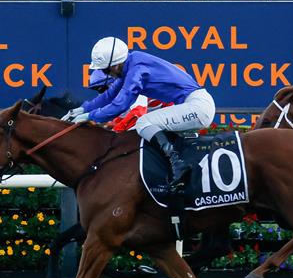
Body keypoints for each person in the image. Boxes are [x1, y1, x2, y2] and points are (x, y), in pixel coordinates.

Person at [64, 36, 215, 197]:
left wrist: (89, 116)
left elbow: (119, 106)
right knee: (148, 126)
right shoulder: (132, 63)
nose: (105, 74)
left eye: (105, 70)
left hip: (197, 107)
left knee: (144, 122)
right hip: (192, 105)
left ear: (115, 65)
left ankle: (178, 165)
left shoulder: (137, 70)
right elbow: (109, 96)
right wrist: (80, 110)